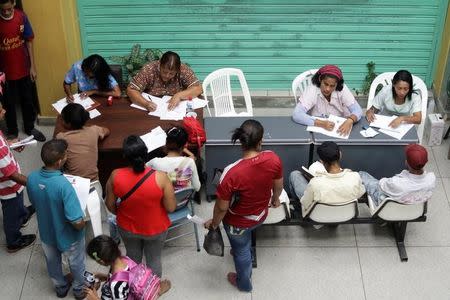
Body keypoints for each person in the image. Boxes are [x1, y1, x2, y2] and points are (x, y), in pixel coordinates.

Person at [204, 119, 283, 292]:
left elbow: (222, 208)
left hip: (237, 223)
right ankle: (241, 247)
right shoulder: (273, 158)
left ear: (241, 142)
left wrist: (214, 224)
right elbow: (278, 186)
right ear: (261, 141)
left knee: (241, 251)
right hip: (261, 215)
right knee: (244, 241)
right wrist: (275, 199)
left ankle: (244, 284)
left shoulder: (231, 173)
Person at [105, 135, 176, 277]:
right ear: (146, 153)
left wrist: (123, 214)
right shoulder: (161, 177)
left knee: (132, 258)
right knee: (154, 259)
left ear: (125, 156)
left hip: (127, 227)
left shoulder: (115, 175)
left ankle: (135, 287)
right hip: (155, 228)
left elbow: (110, 205)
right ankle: (152, 288)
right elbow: (170, 208)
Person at [26, 139, 86, 299]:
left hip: (46, 234)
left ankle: (60, 288)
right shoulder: (64, 185)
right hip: (69, 237)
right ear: (60, 162)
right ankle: (79, 290)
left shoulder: (31, 178)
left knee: (52, 263)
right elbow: (75, 221)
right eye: (66, 155)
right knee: (76, 263)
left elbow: (34, 202)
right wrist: (83, 224)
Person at [55, 103, 119, 242]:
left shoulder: (61, 137)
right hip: (95, 186)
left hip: (73, 187)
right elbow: (106, 130)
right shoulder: (93, 131)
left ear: (67, 123)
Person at [0, 0, 46, 141]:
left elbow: (29, 41)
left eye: (9, 9)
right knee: (8, 103)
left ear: (14, 3)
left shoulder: (21, 16)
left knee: (27, 99)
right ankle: (12, 131)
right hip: (4, 73)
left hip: (24, 68)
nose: (7, 12)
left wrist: (33, 66)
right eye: (3, 10)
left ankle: (29, 127)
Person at [289, 141, 365, 217]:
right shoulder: (355, 176)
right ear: (340, 155)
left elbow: (305, 202)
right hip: (345, 215)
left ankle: (299, 214)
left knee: (294, 175)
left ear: (321, 161)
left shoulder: (315, 183)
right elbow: (360, 193)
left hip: (319, 216)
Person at [84, 235, 171, 300]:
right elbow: (127, 278)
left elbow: (120, 284)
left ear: (101, 261)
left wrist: (95, 298)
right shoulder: (125, 259)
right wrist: (105, 277)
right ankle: (156, 292)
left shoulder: (116, 285)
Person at [0, 102, 35, 253]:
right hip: (8, 187)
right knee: (11, 212)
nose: (4, 111)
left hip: (11, 185)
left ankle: (23, 214)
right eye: (0, 109)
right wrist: (34, 183)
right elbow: (12, 175)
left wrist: (10, 144)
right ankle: (13, 241)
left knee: (18, 201)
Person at [292, 65, 362, 136]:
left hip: (339, 125)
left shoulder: (342, 89)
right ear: (320, 79)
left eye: (332, 86)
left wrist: (350, 120)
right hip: (319, 127)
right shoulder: (313, 89)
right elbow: (297, 114)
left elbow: (358, 110)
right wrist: (322, 123)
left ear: (337, 84)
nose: (327, 89)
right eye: (325, 84)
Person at [359, 144, 435, 207]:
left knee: (362, 174)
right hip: (414, 207)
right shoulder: (431, 179)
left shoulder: (396, 183)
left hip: (391, 207)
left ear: (406, 162)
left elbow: (382, 184)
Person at [127, 51, 202, 111]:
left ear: (177, 70)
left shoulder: (183, 69)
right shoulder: (149, 69)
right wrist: (146, 103)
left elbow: (198, 88)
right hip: (152, 107)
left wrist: (179, 96)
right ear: (159, 65)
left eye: (171, 73)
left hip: (176, 109)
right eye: (164, 72)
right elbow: (131, 90)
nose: (167, 76)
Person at [147, 126, 200, 192]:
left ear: (165, 143)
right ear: (185, 145)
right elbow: (197, 187)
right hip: (182, 200)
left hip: (163, 201)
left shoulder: (154, 162)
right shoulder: (190, 162)